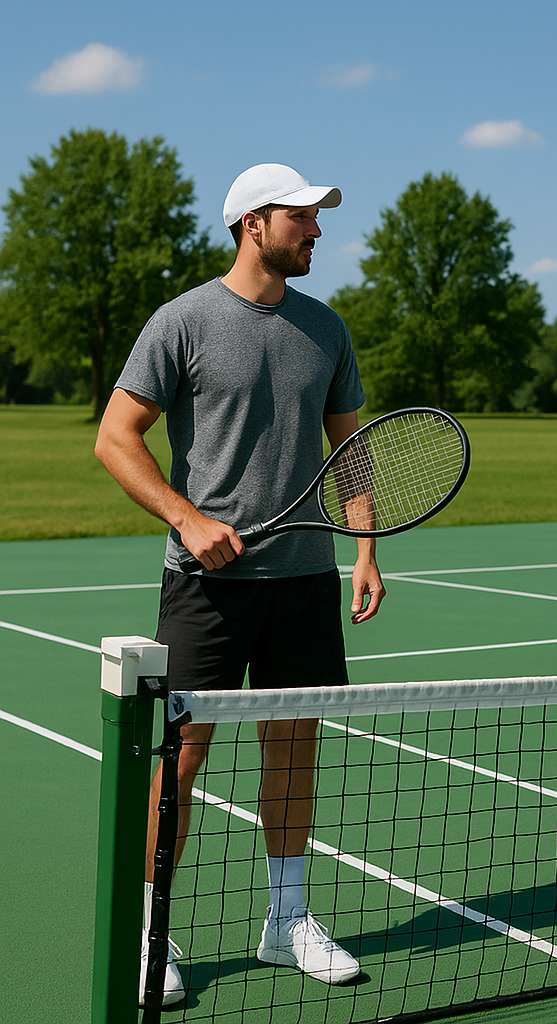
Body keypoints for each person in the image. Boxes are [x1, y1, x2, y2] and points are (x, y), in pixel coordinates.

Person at [95, 163, 386, 1005]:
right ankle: (155, 927)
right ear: (254, 223)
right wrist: (186, 519)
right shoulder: (181, 321)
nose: (318, 232)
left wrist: (364, 549)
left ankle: (287, 920)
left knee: (293, 747)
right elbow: (118, 438)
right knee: (180, 759)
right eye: (304, 218)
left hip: (303, 581)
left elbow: (351, 451)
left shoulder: (326, 329)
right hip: (204, 587)